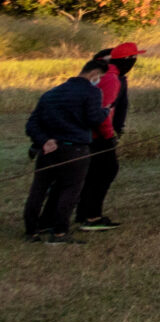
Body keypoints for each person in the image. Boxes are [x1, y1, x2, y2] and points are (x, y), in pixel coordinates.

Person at [23, 59, 106, 242]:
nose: (99, 80)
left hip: (49, 149)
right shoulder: (91, 92)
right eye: (99, 76)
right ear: (94, 74)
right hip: (75, 149)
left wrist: (44, 141)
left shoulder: (51, 93)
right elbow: (93, 119)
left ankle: (31, 230)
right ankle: (60, 232)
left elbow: (32, 124)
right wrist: (105, 111)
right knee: (70, 190)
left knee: (39, 189)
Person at [75, 44, 140, 230]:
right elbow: (102, 112)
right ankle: (92, 217)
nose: (135, 62)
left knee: (94, 173)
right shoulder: (111, 78)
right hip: (98, 135)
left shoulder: (106, 75)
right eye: (133, 58)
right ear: (126, 60)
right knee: (105, 171)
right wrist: (109, 135)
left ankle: (83, 214)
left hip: (89, 133)